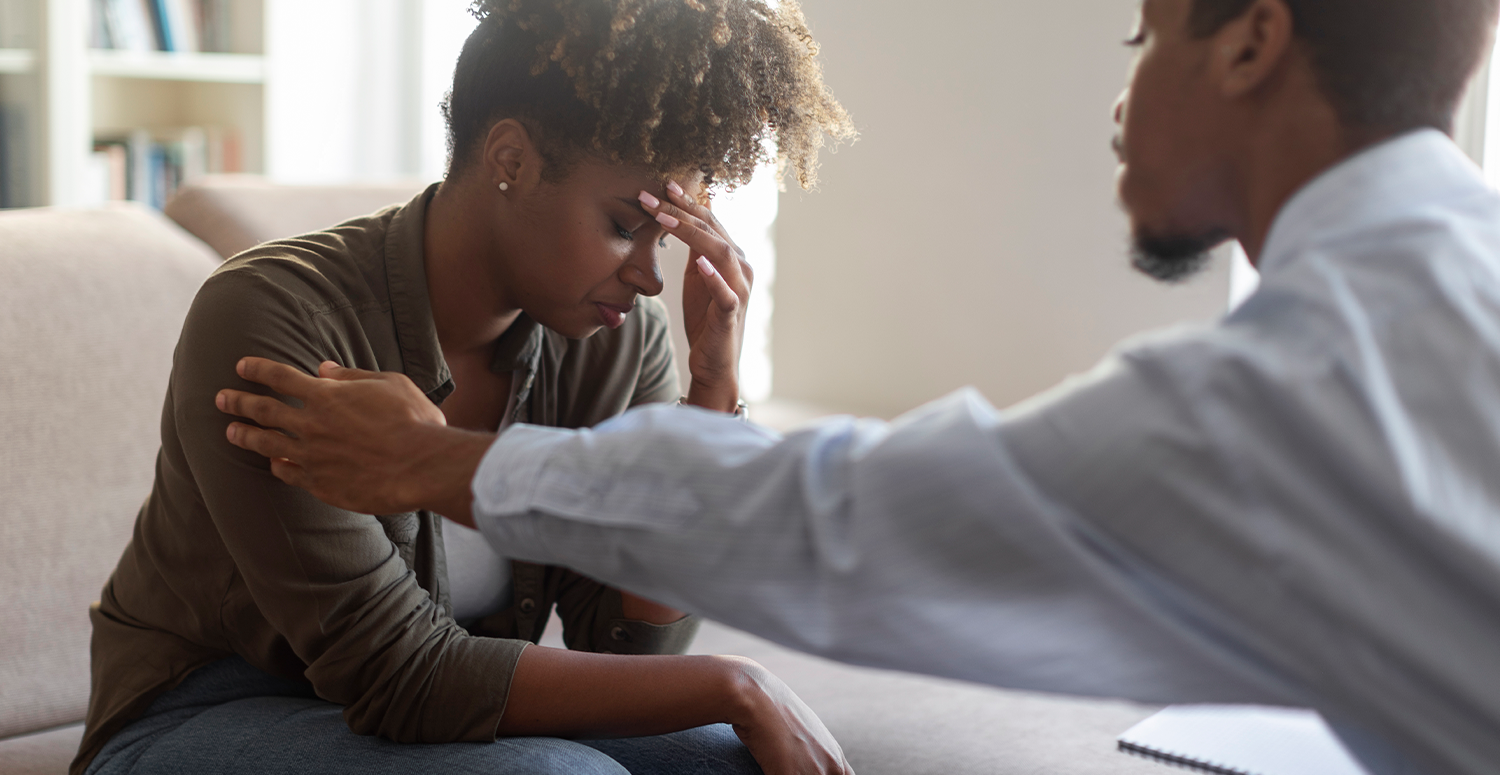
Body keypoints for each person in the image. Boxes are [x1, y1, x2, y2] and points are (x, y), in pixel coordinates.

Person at [217, 0, 1500, 773]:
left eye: (1143, 32)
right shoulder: (1434, 302)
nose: (1118, 99)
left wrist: (443, 461)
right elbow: (401, 672)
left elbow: (844, 523)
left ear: (1253, 44)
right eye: (628, 223)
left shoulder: (1307, 376)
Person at [74, 2, 860, 775]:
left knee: (735, 765)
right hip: (204, 713)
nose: (652, 277)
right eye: (627, 225)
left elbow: (624, 642)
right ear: (511, 159)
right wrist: (737, 681)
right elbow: (399, 673)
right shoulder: (274, 316)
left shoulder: (615, 340)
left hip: (429, 709)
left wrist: (713, 398)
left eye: (667, 237)